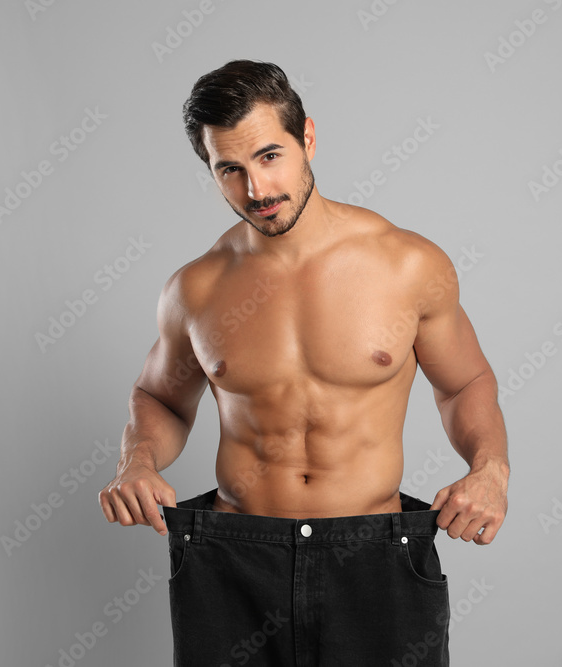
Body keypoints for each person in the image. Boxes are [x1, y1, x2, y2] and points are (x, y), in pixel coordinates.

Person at [98, 59, 509, 666]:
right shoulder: (197, 289)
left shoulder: (406, 266)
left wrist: (490, 470)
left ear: (307, 137)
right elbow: (159, 396)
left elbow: (465, 382)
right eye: (229, 170)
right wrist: (136, 462)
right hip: (235, 557)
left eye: (269, 156)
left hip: (373, 552)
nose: (256, 191)